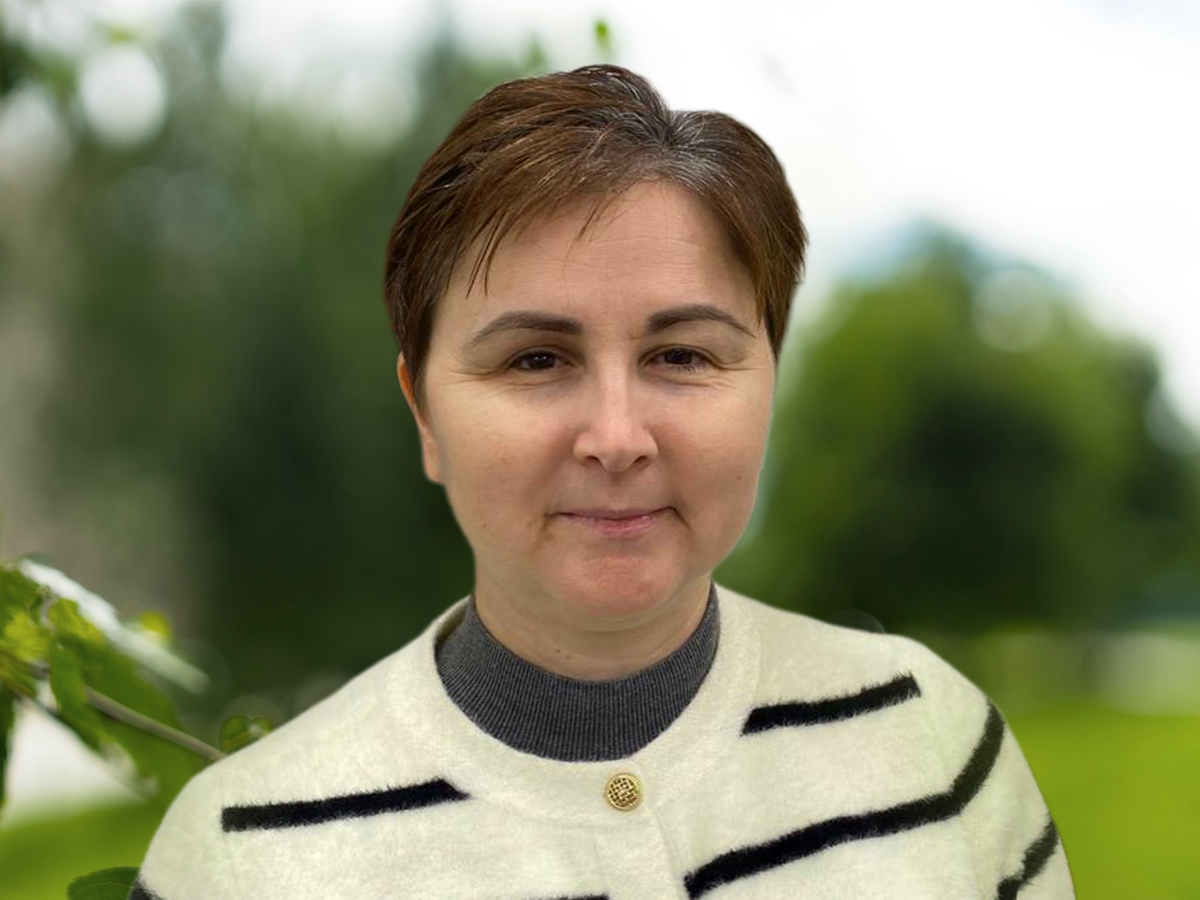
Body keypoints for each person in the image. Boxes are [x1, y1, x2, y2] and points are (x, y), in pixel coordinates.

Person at [130, 65, 1074, 899]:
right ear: (425, 417)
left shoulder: (934, 743)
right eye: (537, 360)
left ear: (768, 386)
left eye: (682, 355)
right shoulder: (240, 858)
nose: (617, 440)